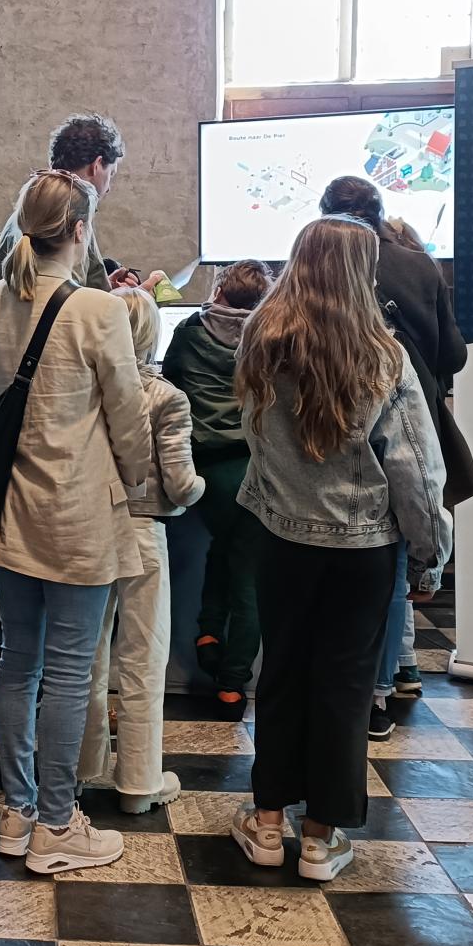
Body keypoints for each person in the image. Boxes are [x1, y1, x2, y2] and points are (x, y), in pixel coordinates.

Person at [227, 216, 449, 884]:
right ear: (364, 273)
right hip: (363, 548)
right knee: (346, 688)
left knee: (283, 675)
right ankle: (320, 840)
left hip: (280, 538)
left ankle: (267, 825)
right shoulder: (384, 356)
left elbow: (254, 439)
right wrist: (429, 552)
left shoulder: (258, 342)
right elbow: (415, 467)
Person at [0, 169, 152, 873]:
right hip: (76, 512)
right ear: (79, 230)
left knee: (18, 662)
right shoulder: (97, 310)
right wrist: (135, 477)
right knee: (71, 674)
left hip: (9, 511)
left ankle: (16, 811)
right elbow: (128, 413)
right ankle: (56, 824)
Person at [319, 175, 469, 737]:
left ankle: (379, 685)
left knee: (366, 565)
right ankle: (398, 670)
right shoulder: (420, 266)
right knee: (397, 556)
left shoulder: (318, 269)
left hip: (333, 432)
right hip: (416, 413)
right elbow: (454, 352)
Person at [77, 288, 203, 812]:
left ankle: (81, 769)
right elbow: (179, 483)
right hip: (146, 531)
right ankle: (138, 782)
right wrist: (201, 490)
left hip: (92, 528)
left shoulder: (86, 393)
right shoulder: (166, 397)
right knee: (144, 656)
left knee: (85, 655)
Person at [161, 258, 274, 716]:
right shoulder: (269, 337)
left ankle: (208, 634)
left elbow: (168, 383)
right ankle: (232, 684)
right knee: (248, 574)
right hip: (251, 464)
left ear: (221, 288)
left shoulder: (189, 331)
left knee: (221, 549)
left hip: (202, 466)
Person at [0, 114, 133, 288]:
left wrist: (106, 288)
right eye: (111, 174)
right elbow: (68, 304)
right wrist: (134, 301)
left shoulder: (25, 215)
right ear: (96, 165)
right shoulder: (72, 217)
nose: (109, 188)